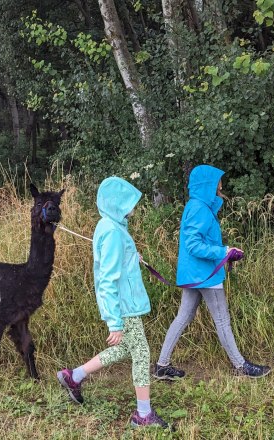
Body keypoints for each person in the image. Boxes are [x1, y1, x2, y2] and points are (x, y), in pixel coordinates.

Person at [57, 176, 169, 429]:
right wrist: (114, 322)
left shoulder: (111, 226)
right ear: (117, 202)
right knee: (141, 354)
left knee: (126, 349)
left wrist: (132, 257)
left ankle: (74, 376)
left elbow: (117, 261)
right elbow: (107, 279)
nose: (134, 207)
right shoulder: (112, 231)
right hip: (124, 306)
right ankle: (143, 414)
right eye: (129, 202)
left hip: (126, 303)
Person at [153, 164, 272, 380]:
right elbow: (193, 245)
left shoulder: (198, 205)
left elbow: (199, 241)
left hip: (197, 274)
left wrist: (224, 252)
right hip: (206, 275)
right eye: (218, 180)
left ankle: (162, 365)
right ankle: (241, 366)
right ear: (208, 184)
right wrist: (224, 251)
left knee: (183, 317)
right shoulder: (199, 208)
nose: (221, 184)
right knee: (222, 320)